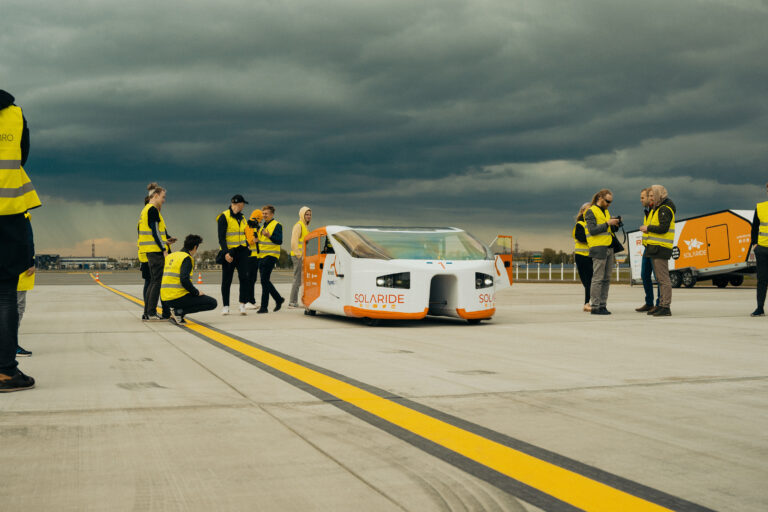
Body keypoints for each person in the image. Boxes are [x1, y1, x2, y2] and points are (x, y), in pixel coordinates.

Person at [0, 89, 41, 392]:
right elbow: (21, 157)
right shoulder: (15, 114)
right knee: (5, 298)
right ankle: (4, 371)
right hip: (7, 216)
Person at [161, 235, 218, 324]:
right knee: (212, 303)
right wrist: (196, 292)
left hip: (165, 298)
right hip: (176, 297)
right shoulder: (186, 258)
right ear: (195, 247)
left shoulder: (171, 256)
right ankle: (178, 312)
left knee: (189, 295)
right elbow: (184, 279)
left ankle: (177, 312)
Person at [137, 185, 172, 320]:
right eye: (163, 197)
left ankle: (148, 312)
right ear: (155, 196)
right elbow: (155, 231)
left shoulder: (145, 210)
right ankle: (151, 313)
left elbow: (157, 232)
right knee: (156, 282)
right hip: (155, 251)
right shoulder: (152, 210)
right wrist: (164, 249)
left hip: (150, 251)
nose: (164, 200)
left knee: (153, 282)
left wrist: (166, 240)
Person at [640, 184, 676, 317]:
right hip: (655, 247)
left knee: (663, 279)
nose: (650, 198)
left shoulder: (665, 209)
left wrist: (647, 228)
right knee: (660, 279)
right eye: (649, 196)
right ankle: (661, 304)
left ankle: (665, 306)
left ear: (658, 195)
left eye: (652, 195)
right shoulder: (659, 208)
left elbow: (663, 228)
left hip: (661, 248)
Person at [584, 189, 621, 315]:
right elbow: (592, 230)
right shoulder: (590, 211)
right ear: (600, 197)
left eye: (611, 202)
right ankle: (595, 306)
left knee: (606, 279)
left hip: (609, 247)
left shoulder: (606, 211)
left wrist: (614, 224)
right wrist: (607, 223)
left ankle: (602, 305)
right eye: (607, 201)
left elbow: (607, 229)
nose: (609, 204)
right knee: (598, 278)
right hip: (598, 248)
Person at [217, 195, 250, 315]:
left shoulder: (243, 217)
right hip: (229, 252)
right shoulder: (224, 216)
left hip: (242, 252)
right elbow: (221, 238)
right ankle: (226, 306)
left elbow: (245, 233)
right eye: (242, 204)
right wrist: (226, 253)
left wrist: (247, 244)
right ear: (237, 204)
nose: (243, 206)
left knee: (244, 278)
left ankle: (242, 304)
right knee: (226, 280)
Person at [636, 187, 660, 313]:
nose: (641, 200)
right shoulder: (648, 211)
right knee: (644, 275)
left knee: (658, 277)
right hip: (647, 247)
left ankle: (659, 303)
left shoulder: (655, 210)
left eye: (642, 197)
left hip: (655, 247)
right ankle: (649, 303)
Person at [257, 205, 285, 313]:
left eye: (266, 213)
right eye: (263, 213)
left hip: (271, 255)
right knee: (265, 281)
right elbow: (261, 242)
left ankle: (264, 307)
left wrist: (269, 236)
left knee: (264, 280)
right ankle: (278, 299)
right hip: (262, 257)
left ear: (272, 214)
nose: (264, 215)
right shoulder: (262, 226)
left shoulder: (277, 225)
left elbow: (279, 240)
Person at [16, 213, 35, 357]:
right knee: (16, 308)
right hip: (19, 268)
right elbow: (27, 240)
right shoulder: (21, 216)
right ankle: (10, 346)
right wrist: (30, 262)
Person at [750, 182, 768, 317]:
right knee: (762, 279)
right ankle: (760, 307)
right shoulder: (761, 207)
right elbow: (754, 227)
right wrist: (755, 244)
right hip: (762, 249)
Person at [289, 206, 312, 308]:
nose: (309, 216)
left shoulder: (305, 226)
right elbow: (294, 242)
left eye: (310, 214)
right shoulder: (299, 226)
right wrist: (299, 255)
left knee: (301, 280)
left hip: (303, 257)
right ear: (302, 215)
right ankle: (292, 302)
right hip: (297, 256)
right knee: (297, 279)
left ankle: (299, 300)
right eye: (306, 214)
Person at [573, 203, 592, 312]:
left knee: (590, 281)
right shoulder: (580, 224)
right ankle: (587, 303)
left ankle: (587, 302)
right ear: (582, 211)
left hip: (591, 256)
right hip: (582, 257)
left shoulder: (592, 224)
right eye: (588, 210)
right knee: (587, 282)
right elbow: (581, 238)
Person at [244, 208, 263, 309]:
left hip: (255, 257)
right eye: (260, 219)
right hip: (249, 257)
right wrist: (254, 240)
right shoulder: (249, 226)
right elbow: (248, 240)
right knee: (249, 280)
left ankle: (251, 300)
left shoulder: (254, 226)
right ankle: (247, 301)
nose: (261, 222)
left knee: (253, 279)